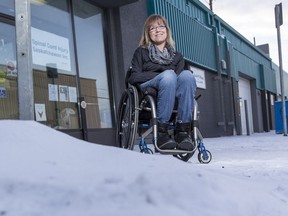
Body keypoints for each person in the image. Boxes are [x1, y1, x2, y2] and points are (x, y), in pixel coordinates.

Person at [128, 14, 197, 151]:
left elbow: (180, 79)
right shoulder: (141, 52)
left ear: (167, 30)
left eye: (161, 26)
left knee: (187, 76)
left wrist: (168, 77)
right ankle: (162, 132)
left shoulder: (177, 56)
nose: (157, 30)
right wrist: (161, 75)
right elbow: (133, 77)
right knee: (169, 75)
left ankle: (183, 132)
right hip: (149, 89)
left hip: (171, 90)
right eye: (152, 28)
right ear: (148, 33)